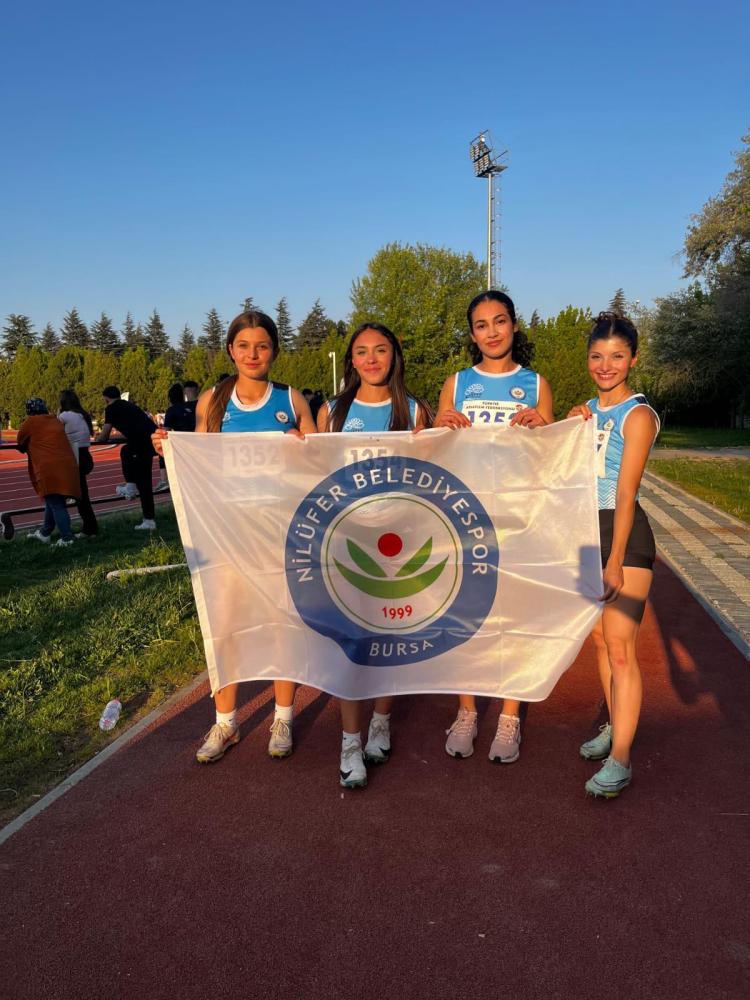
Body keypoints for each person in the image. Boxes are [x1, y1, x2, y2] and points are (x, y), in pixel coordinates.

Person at [152, 310, 316, 764]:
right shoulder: (214, 400)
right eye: (243, 346)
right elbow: (200, 459)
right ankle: (226, 722)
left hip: (280, 532)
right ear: (230, 350)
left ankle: (283, 716)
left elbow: (319, 463)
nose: (252, 354)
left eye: (262, 346)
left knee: (283, 624)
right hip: (227, 532)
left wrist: (303, 447)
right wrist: (170, 448)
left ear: (274, 351)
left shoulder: (291, 399)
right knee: (224, 624)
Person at [433, 290, 554, 764]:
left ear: (514, 325)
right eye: (481, 325)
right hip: (466, 516)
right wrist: (439, 426)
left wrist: (545, 429)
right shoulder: (457, 382)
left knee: (514, 618)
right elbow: (437, 453)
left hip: (518, 517)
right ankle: (466, 711)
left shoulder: (536, 383)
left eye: (499, 321)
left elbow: (552, 457)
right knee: (465, 617)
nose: (492, 332)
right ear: (472, 334)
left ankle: (509, 717)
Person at [317, 322, 433, 788]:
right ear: (351, 360)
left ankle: (380, 721)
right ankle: (350, 740)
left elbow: (434, 472)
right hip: (346, 541)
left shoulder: (415, 410)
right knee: (351, 641)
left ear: (394, 355)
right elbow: (313, 472)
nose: (371, 359)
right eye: (362, 351)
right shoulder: (332, 411)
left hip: (401, 542)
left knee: (391, 637)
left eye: (380, 350)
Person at [569, 312, 659, 799]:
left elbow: (626, 494)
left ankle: (621, 759)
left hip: (622, 536)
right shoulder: (584, 410)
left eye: (617, 356)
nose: (606, 366)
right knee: (601, 642)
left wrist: (615, 560)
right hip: (585, 531)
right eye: (597, 356)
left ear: (633, 359)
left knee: (621, 647)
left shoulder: (637, 415)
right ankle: (615, 726)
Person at [17, 398, 80, 548]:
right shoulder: (55, 420)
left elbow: (20, 442)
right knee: (54, 500)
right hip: (67, 465)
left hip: (49, 468)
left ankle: (67, 539)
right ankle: (45, 533)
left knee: (56, 504)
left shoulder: (31, 422)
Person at [96, 386, 158, 531]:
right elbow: (131, 430)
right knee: (126, 451)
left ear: (106, 399)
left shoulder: (111, 409)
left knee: (144, 483)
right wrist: (114, 437)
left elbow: (104, 436)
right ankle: (131, 486)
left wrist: (99, 438)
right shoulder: (129, 406)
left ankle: (148, 519)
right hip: (150, 440)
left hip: (141, 444)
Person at [58, 389, 98, 537]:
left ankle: (89, 529)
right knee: (81, 495)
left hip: (74, 456)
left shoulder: (64, 416)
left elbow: (56, 431)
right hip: (86, 455)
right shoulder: (83, 415)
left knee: (79, 497)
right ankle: (90, 528)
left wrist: (58, 414)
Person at [154, 384, 195, 493]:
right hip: (196, 441)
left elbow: (165, 431)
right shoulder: (191, 406)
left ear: (170, 398)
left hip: (184, 443)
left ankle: (164, 480)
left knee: (162, 448)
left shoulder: (171, 410)